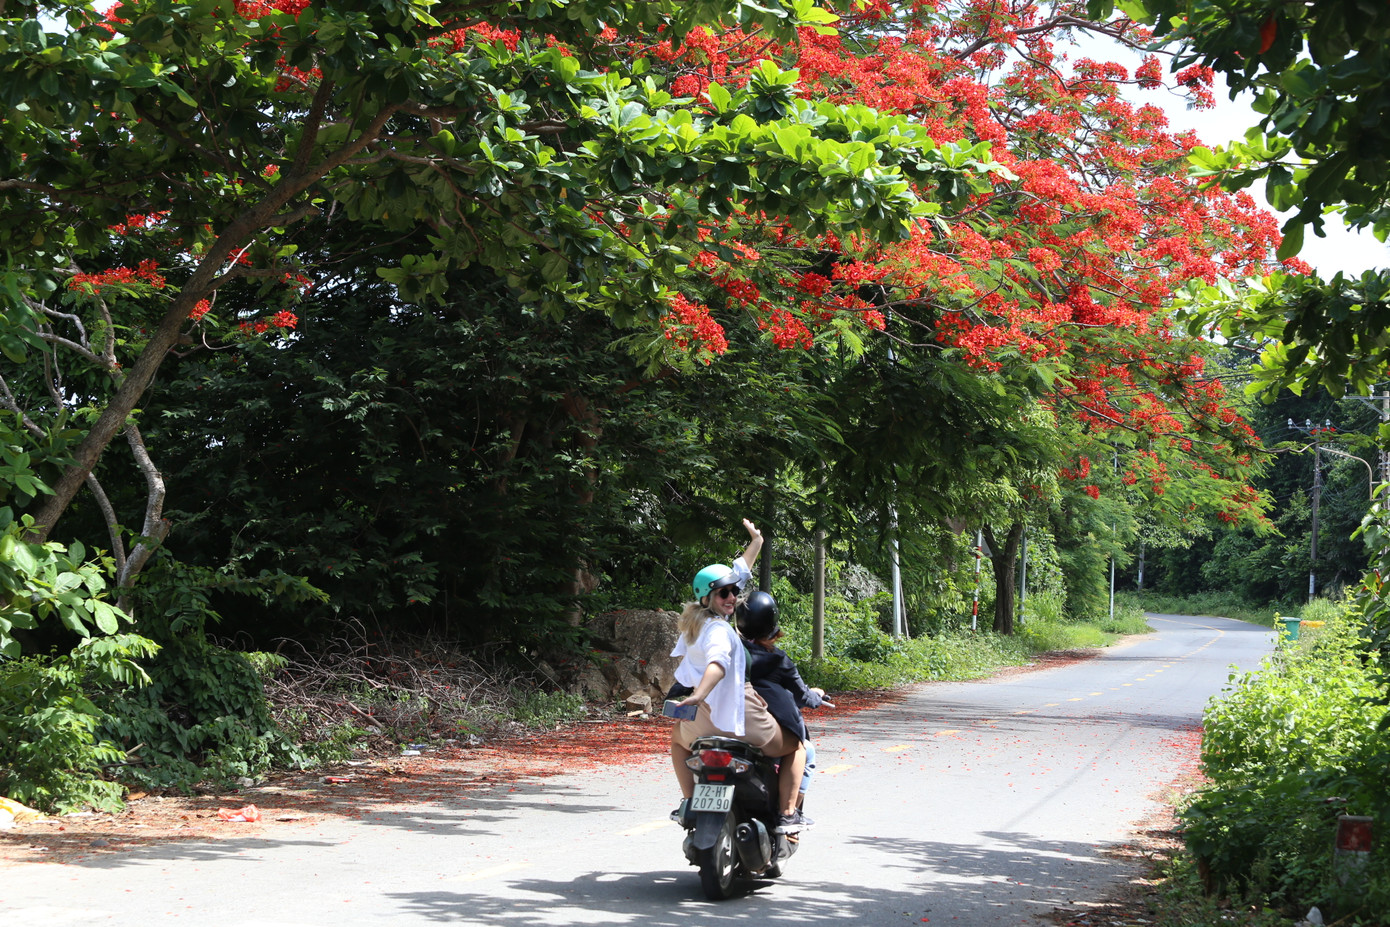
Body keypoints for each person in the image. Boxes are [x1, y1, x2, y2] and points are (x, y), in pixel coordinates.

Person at [669, 519, 809, 834]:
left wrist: (756, 542)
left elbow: (739, 572)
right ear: (708, 598)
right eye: (725, 594)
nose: (732, 597)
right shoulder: (719, 630)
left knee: (678, 742)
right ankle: (788, 814)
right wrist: (700, 693)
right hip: (741, 716)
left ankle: (690, 803)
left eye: (734, 591)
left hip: (701, 722)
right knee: (797, 746)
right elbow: (717, 665)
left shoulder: (696, 622)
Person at [736, 590, 834, 813]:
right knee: (804, 750)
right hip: (760, 730)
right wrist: (815, 696)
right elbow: (802, 695)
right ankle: (788, 813)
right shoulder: (777, 659)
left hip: (724, 725)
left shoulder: (729, 651)